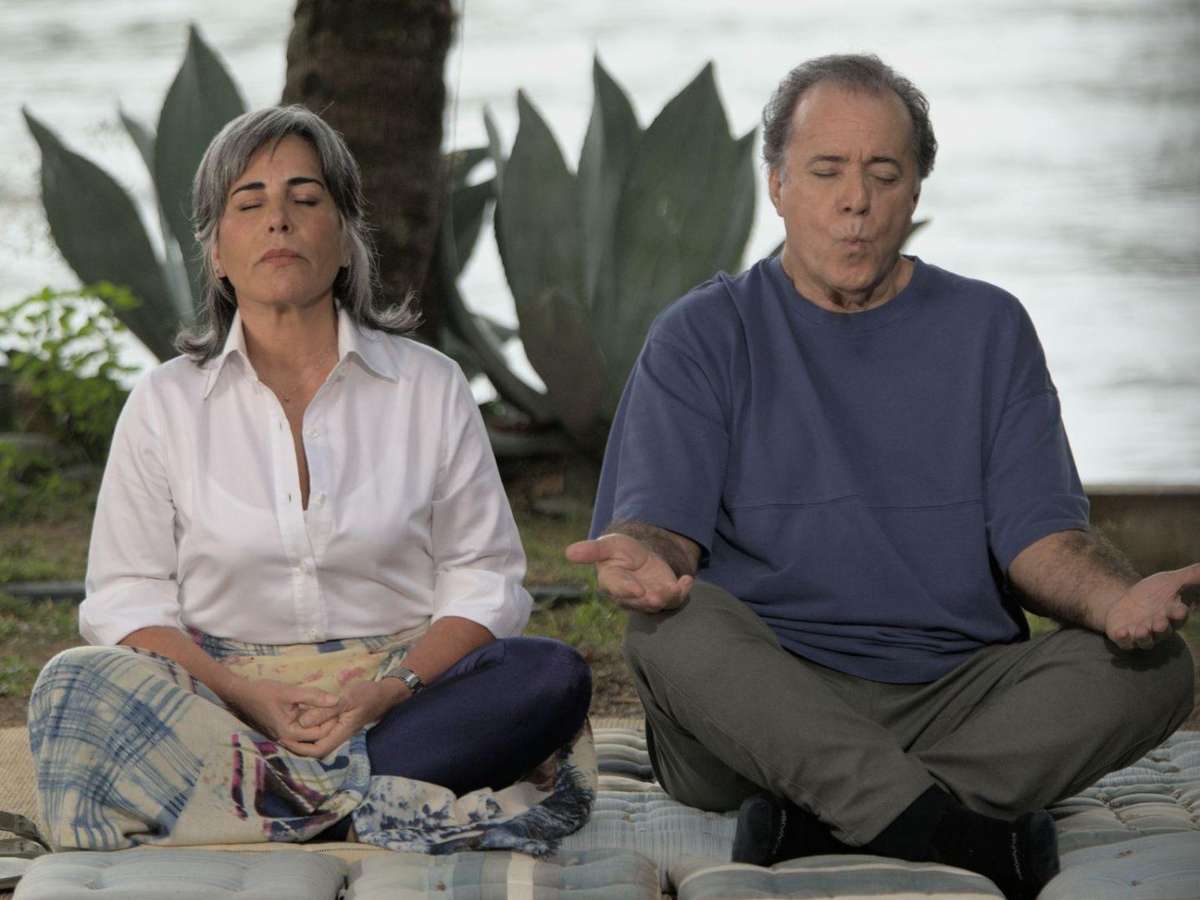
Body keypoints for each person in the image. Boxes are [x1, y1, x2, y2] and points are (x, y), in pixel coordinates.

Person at [567, 54, 1196, 900]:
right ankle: (954, 829)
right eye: (827, 170)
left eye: (884, 173)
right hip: (765, 704)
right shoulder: (701, 334)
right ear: (778, 184)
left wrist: (1118, 601)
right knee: (672, 631)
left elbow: (1042, 540)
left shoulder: (989, 327)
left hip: (958, 696)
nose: (855, 200)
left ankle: (824, 820)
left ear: (916, 188)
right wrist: (644, 556)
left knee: (1157, 670)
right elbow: (661, 534)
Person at [29, 106, 593, 854]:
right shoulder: (164, 403)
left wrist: (385, 691)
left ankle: (262, 807)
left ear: (346, 238)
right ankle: (356, 808)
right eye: (250, 203)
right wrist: (246, 695)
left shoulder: (429, 386)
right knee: (73, 685)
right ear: (217, 253)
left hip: (401, 701)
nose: (279, 220)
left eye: (305, 197)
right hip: (222, 707)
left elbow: (483, 578)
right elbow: (126, 596)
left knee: (549, 674)